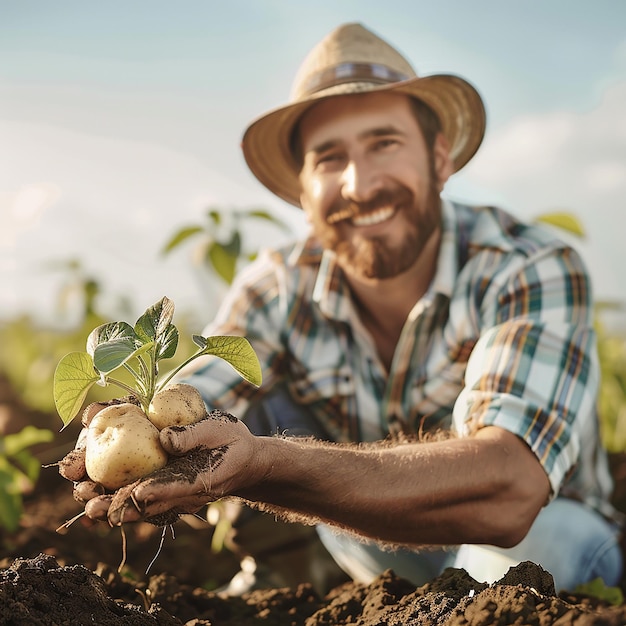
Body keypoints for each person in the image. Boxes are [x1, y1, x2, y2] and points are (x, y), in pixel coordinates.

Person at [69, 23, 623, 592]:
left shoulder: (527, 266)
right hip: (371, 546)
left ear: (439, 158)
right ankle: (291, 576)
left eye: (385, 143)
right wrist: (141, 432)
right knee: (250, 411)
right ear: (303, 193)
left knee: (537, 550)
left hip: (534, 537)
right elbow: (202, 395)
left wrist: (266, 464)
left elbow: (509, 490)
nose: (359, 185)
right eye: (330, 159)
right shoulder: (274, 287)